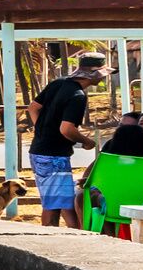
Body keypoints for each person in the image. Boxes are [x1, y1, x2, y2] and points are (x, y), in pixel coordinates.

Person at [26, 51, 102, 226]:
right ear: (95, 73)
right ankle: (49, 238)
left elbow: (33, 108)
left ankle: (74, 234)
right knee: (53, 206)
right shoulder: (77, 96)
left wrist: (43, 130)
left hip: (38, 151)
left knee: (62, 202)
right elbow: (67, 129)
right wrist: (86, 141)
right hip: (55, 156)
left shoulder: (58, 83)